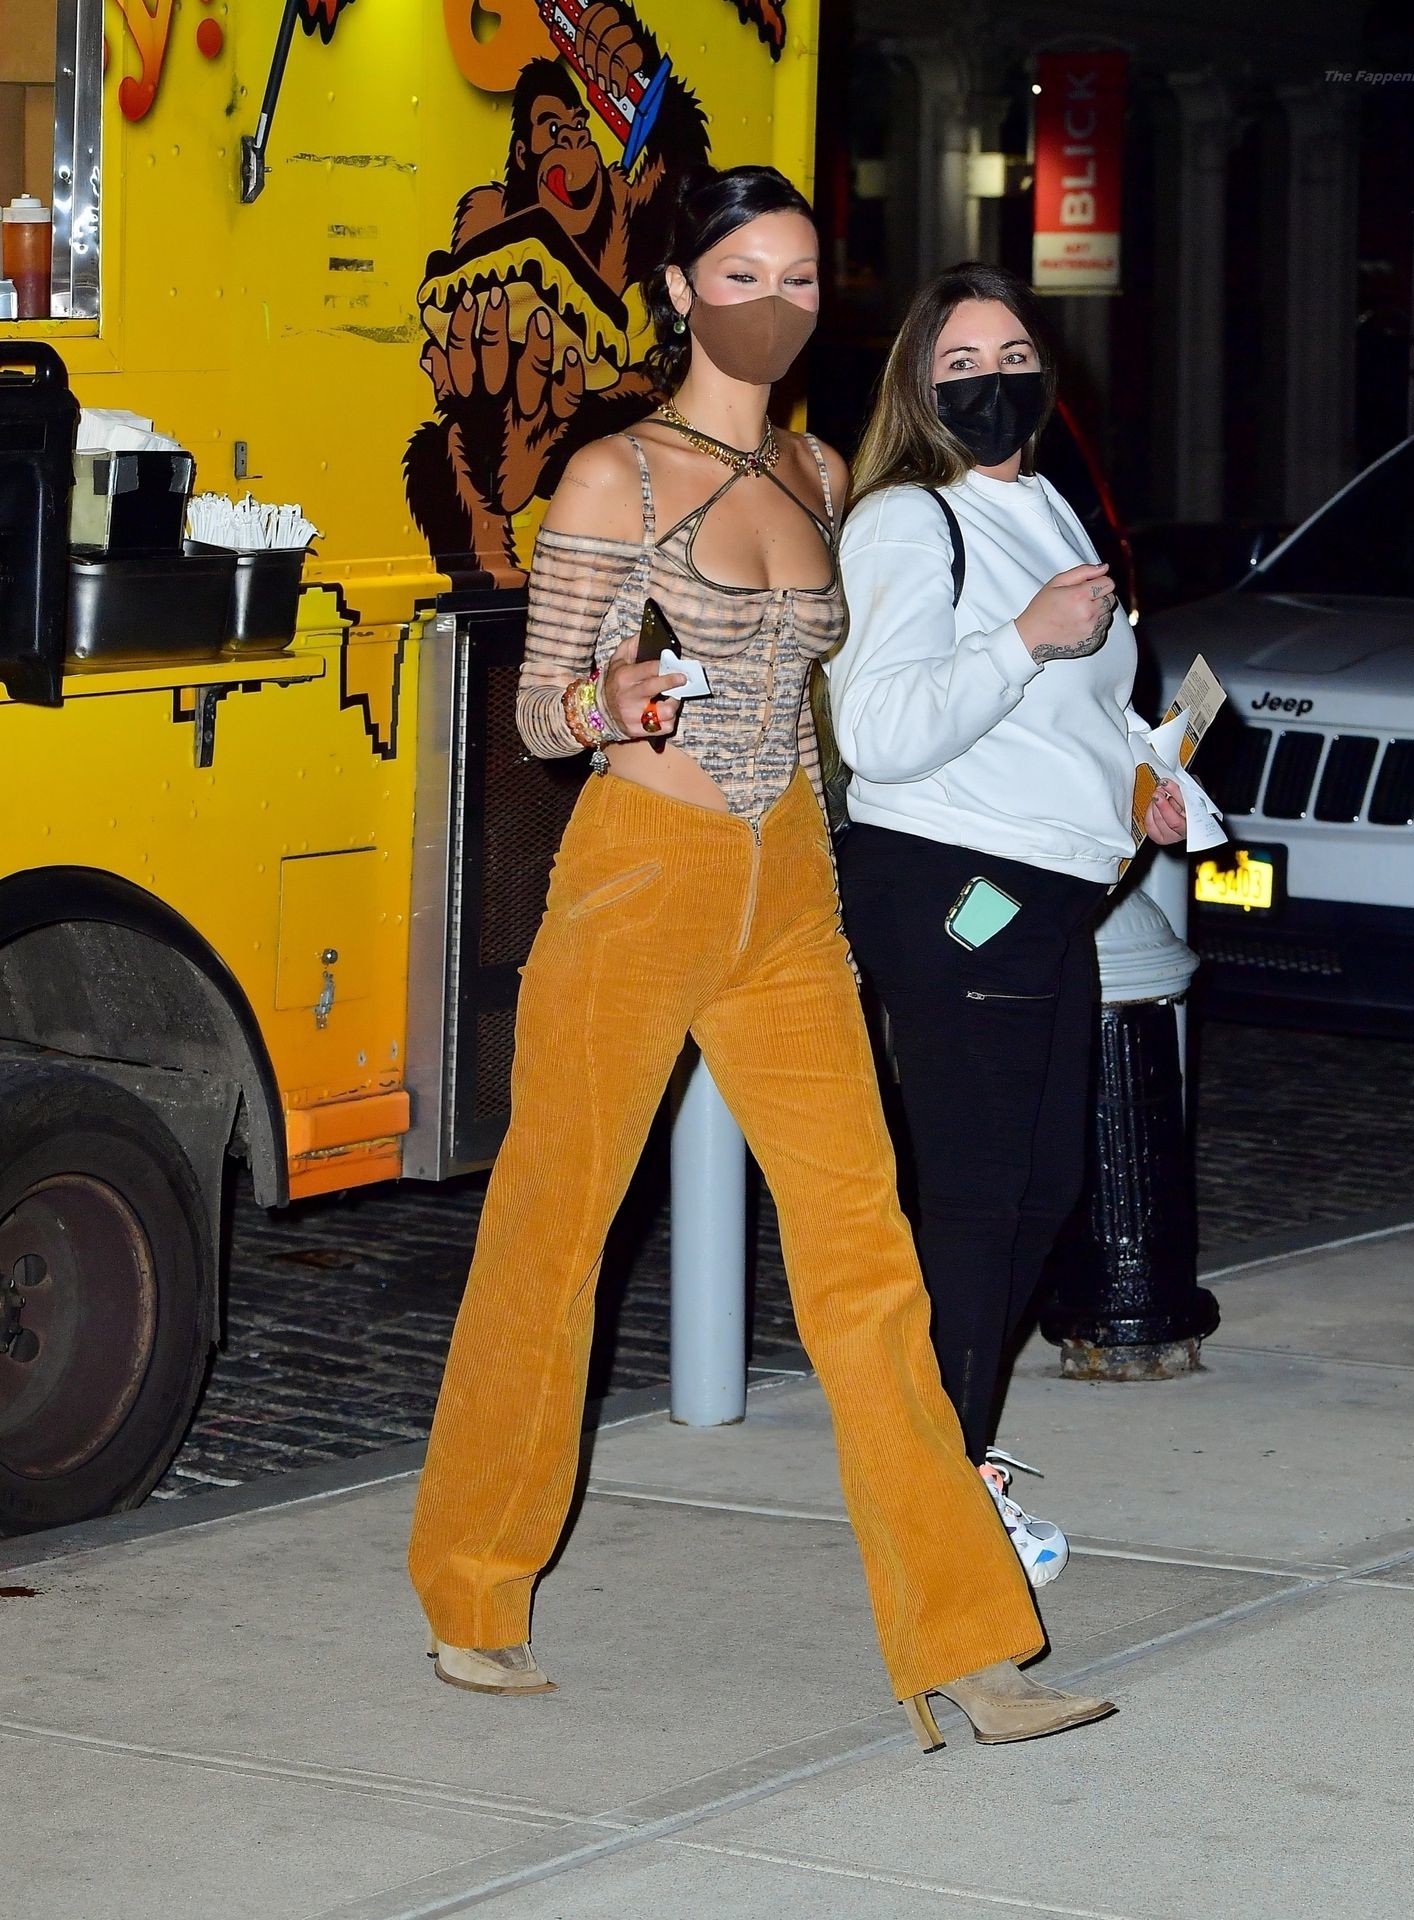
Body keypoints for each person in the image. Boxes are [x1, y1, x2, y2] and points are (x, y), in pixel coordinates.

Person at [408, 176, 1116, 1752]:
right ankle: (472, 1585)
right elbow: (534, 712)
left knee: (867, 1257)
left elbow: (846, 702)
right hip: (639, 875)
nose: (775, 305)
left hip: (788, 887)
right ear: (679, 292)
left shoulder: (815, 470)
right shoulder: (615, 471)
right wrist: (606, 705)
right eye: (742, 276)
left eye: (798, 278)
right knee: (552, 1233)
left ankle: (966, 1646)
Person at [828, 261, 1219, 1584]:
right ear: (918, 385)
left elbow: (1077, 715)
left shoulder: (1044, 502)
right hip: (959, 890)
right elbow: (879, 729)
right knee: (979, 1202)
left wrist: (1145, 779)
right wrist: (1026, 636)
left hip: (1051, 890)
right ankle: (935, 1509)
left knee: (1040, 1193)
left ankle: (943, 1467)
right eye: (960, 365)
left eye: (1011, 359)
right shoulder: (907, 520)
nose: (991, 383)